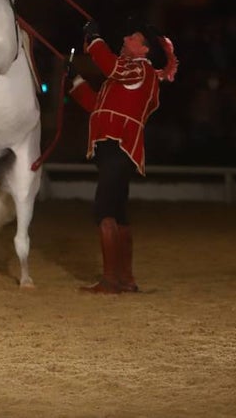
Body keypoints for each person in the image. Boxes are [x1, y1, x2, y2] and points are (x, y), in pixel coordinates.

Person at [69, 18, 178, 293]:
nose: (126, 38)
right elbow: (98, 106)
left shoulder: (140, 69)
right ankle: (125, 278)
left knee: (103, 210)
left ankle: (110, 280)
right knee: (118, 212)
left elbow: (110, 65)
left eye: (133, 37)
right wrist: (76, 82)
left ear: (144, 50)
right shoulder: (132, 74)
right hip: (117, 146)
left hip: (117, 144)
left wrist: (94, 39)